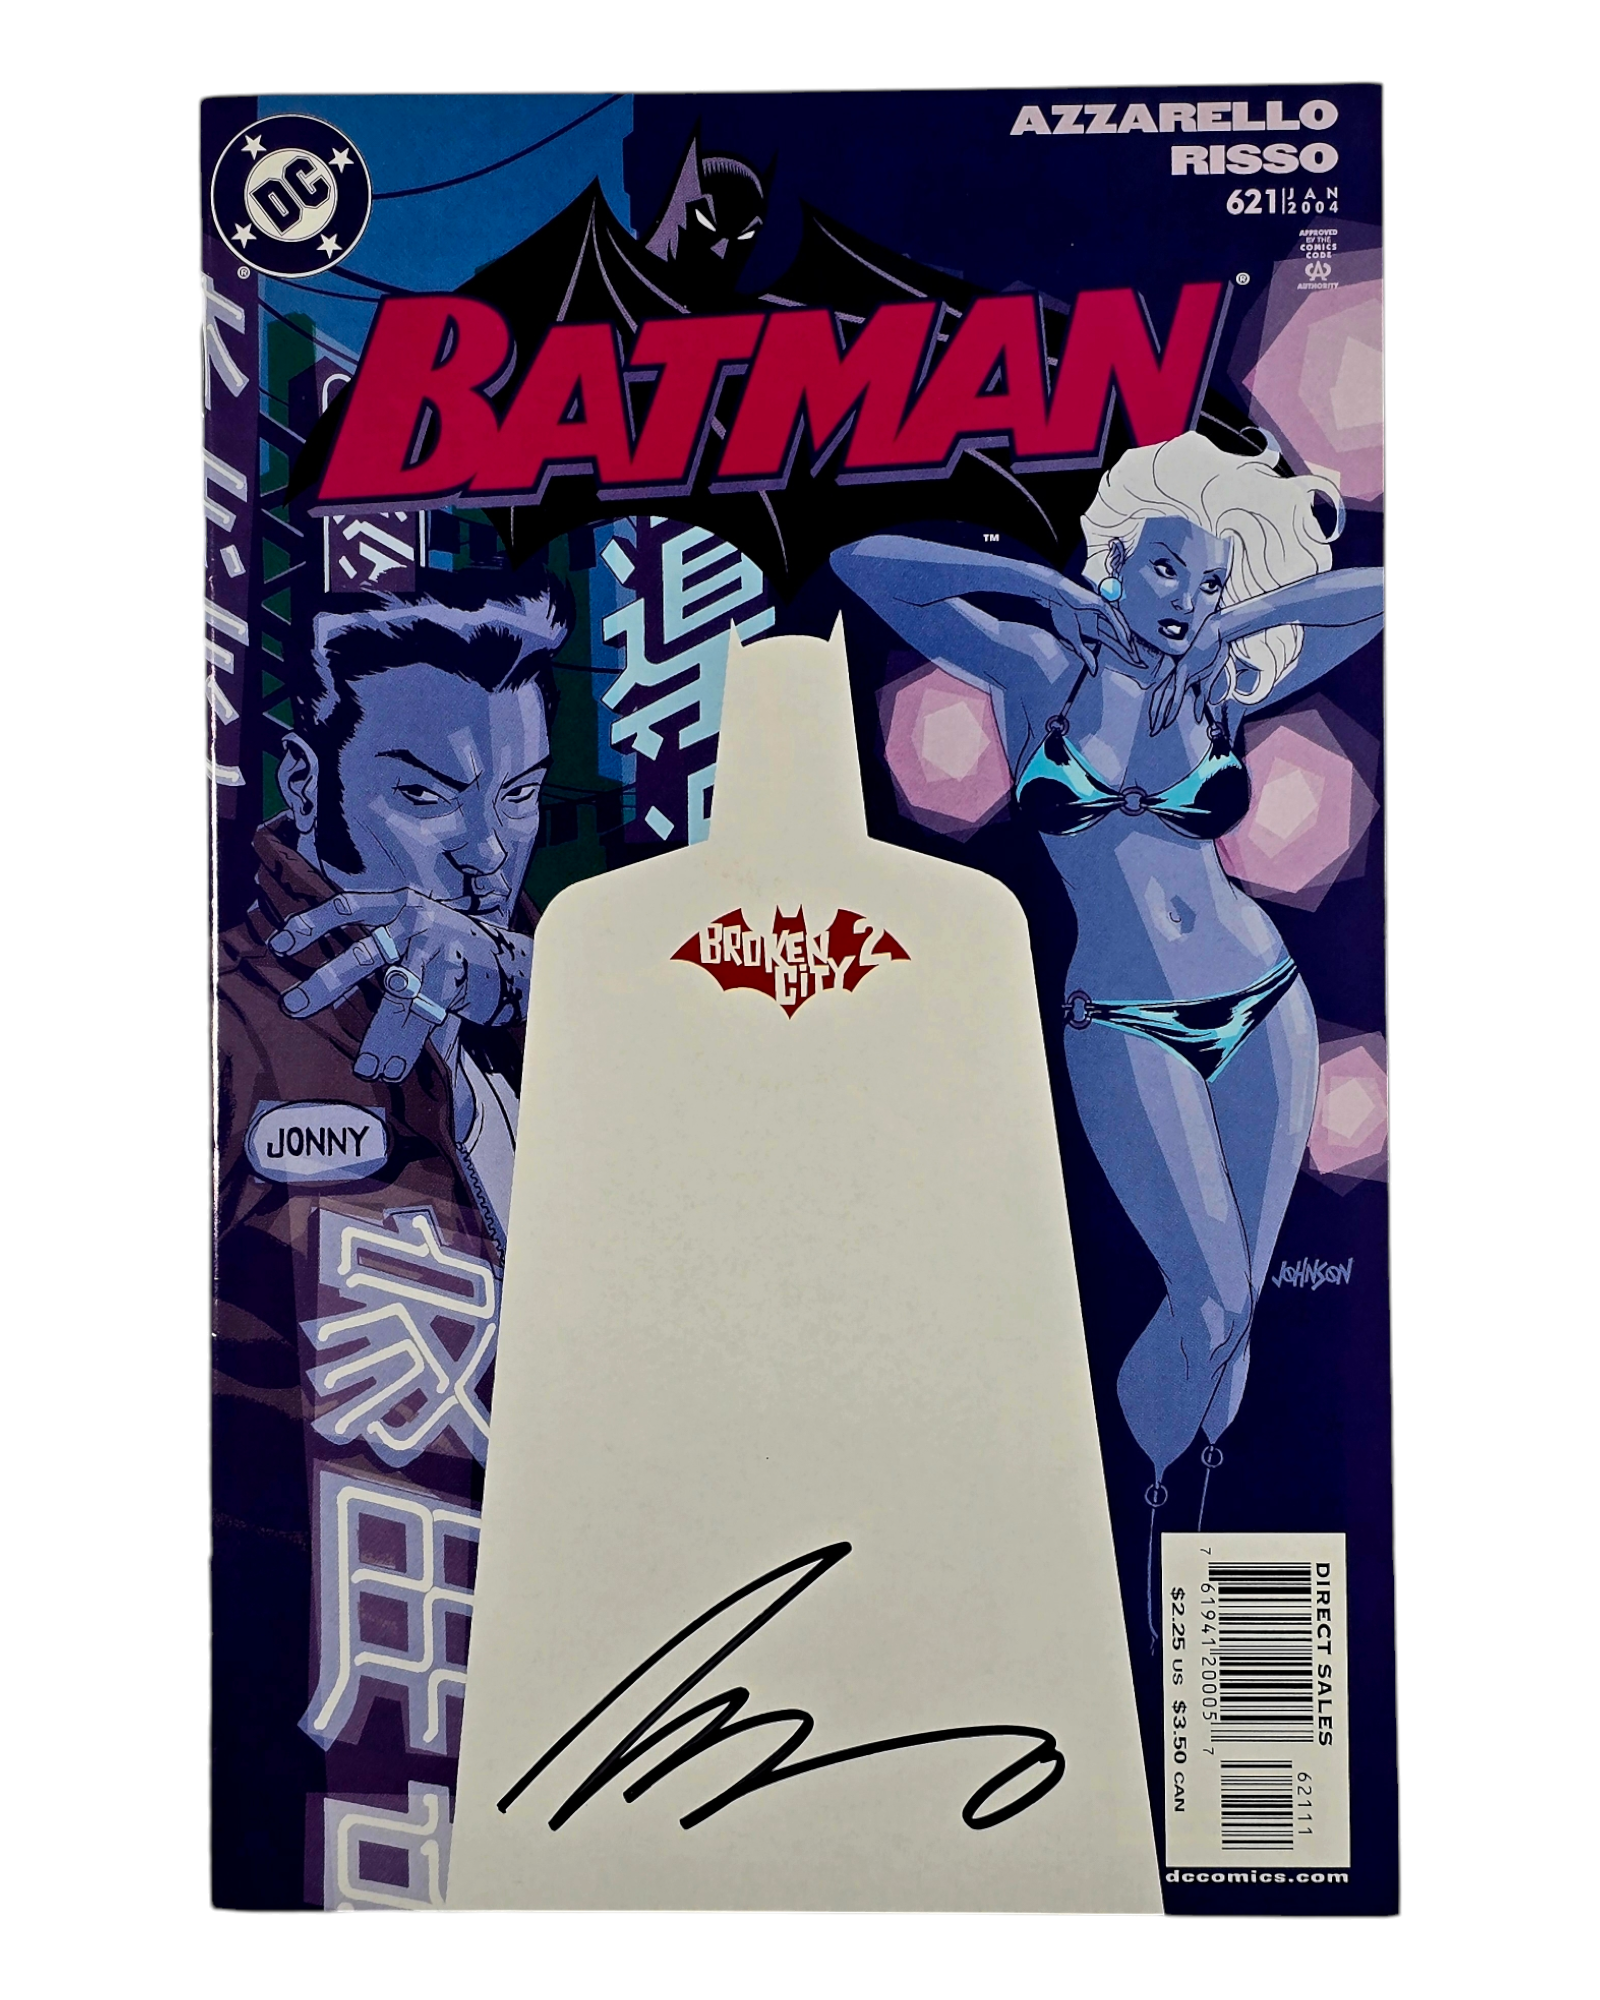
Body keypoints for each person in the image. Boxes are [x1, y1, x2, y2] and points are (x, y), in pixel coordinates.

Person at [832, 432, 1383, 1515]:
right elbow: (867, 566)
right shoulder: (1040, 666)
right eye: (1168, 569)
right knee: (1209, 1299)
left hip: (1265, 1005)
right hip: (1125, 1018)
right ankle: (1133, 1494)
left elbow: (1380, 596)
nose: (1187, 600)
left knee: (1237, 1314)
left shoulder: (1220, 682)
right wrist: (1046, 587)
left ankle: (1186, 1512)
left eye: (1209, 581)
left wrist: (1239, 624)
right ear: (1118, 559)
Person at [212, 577, 568, 1908]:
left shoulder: (493, 1009)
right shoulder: (232, 1022)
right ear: (308, 783)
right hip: (314, 1694)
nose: (485, 855)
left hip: (508, 1678)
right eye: (425, 797)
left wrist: (525, 984)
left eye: (518, 796)